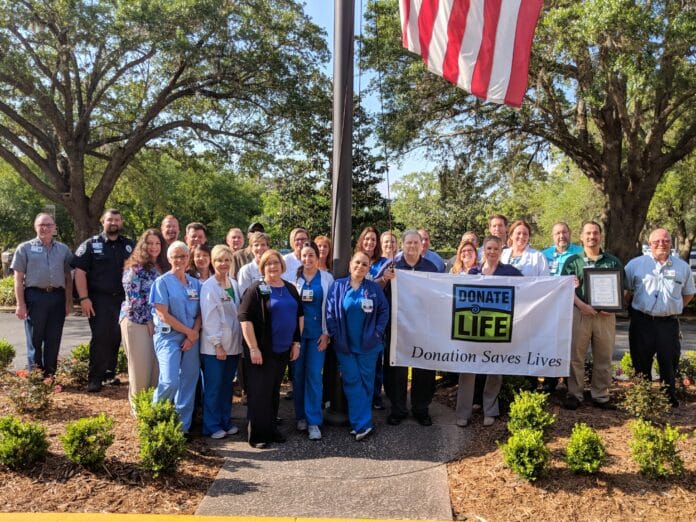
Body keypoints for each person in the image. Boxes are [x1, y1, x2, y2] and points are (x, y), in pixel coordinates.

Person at [238, 250, 303, 448]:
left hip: (283, 350)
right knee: (259, 393)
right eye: (268, 264)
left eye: (276, 263)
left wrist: (296, 343)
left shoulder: (290, 288)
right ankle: (258, 435)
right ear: (263, 267)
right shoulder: (256, 289)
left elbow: (299, 315)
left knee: (274, 392)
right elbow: (244, 319)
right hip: (262, 351)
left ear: (282, 266)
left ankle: (272, 430)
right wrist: (253, 348)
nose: (273, 267)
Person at [624, 228, 695, 407]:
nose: (661, 244)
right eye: (656, 241)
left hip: (668, 324)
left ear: (671, 244)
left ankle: (668, 399)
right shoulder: (635, 265)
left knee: (669, 363)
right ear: (650, 244)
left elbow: (688, 294)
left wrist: (673, 307)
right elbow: (626, 291)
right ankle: (643, 399)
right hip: (642, 322)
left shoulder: (682, 267)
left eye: (665, 241)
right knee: (641, 363)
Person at [456, 235, 522, 427]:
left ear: (501, 251)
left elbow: (529, 289)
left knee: (495, 369)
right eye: (489, 248)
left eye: (496, 249)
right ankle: (463, 413)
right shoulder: (473, 272)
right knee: (467, 368)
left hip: (497, 328)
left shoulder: (510, 272)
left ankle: (490, 410)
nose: (492, 252)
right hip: (473, 329)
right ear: (483, 251)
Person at [376, 230, 439, 426]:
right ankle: (398, 409)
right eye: (408, 243)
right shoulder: (392, 265)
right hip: (396, 327)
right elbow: (373, 288)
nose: (412, 246)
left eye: (415, 243)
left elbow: (439, 296)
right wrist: (385, 278)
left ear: (422, 246)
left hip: (423, 328)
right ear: (402, 245)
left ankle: (421, 409)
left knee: (424, 368)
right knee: (396, 370)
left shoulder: (431, 267)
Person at [561, 221, 623, 410]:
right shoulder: (573, 261)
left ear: (600, 236)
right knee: (576, 355)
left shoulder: (612, 261)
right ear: (581, 237)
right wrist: (581, 305)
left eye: (595, 233)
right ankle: (575, 394)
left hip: (606, 316)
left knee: (603, 356)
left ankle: (600, 395)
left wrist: (611, 307)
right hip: (580, 313)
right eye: (588, 233)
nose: (592, 237)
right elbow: (565, 288)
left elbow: (623, 289)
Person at [326, 252, 389, 440]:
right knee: (352, 382)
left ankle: (360, 423)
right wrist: (336, 336)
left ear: (368, 268)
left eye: (364, 264)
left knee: (367, 384)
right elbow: (330, 312)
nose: (360, 266)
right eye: (357, 262)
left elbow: (384, 311)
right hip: (345, 346)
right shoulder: (338, 286)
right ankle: (362, 424)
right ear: (350, 264)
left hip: (368, 346)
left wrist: (377, 333)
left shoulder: (373, 288)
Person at [72, 209, 135, 392]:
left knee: (117, 336)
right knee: (100, 337)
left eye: (117, 219)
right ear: (102, 222)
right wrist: (84, 298)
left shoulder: (130, 245)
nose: (113, 222)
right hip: (99, 300)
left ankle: (109, 374)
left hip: (123, 300)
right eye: (110, 220)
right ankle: (95, 378)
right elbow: (80, 272)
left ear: (121, 222)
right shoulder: (91, 245)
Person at [149, 241, 202, 434]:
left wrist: (192, 335)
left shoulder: (196, 283)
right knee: (170, 380)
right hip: (169, 337)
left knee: (188, 382)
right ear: (169, 259)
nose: (180, 260)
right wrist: (188, 332)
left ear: (188, 258)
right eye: (175, 256)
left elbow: (200, 314)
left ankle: (182, 428)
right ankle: (155, 420)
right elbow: (162, 314)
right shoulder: (161, 282)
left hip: (192, 338)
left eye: (183, 256)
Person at [11, 213, 73, 376]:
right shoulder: (24, 248)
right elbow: (18, 279)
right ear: (35, 227)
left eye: (49, 225)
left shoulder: (63, 250)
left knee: (54, 338)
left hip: (57, 297)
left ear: (54, 228)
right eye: (41, 225)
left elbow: (68, 278)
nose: (45, 228)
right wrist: (20, 304)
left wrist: (68, 302)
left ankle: (50, 376)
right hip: (34, 297)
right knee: (35, 338)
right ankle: (36, 377)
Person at [120, 229, 167, 414]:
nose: (154, 247)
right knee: (140, 368)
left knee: (156, 368)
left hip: (159, 324)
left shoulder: (162, 266)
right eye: (150, 243)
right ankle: (139, 410)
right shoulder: (136, 267)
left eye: (158, 243)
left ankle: (153, 407)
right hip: (137, 322)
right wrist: (148, 318)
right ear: (143, 245)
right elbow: (133, 298)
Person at [291, 242, 334, 440]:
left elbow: (331, 309)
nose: (307, 259)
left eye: (311, 256)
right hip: (298, 338)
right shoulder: (293, 279)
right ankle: (301, 416)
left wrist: (327, 334)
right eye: (304, 255)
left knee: (314, 377)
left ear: (318, 258)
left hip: (318, 336)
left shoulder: (327, 279)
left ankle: (314, 421)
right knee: (298, 376)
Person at [200, 245, 244, 438]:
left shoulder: (233, 283)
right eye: (219, 260)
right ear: (212, 262)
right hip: (214, 348)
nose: (223, 264)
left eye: (227, 260)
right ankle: (211, 425)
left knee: (227, 386)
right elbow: (209, 318)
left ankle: (225, 422)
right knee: (214, 387)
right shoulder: (209, 286)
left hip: (233, 344)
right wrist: (217, 344)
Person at [540, 222, 583, 392]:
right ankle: (549, 381)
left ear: (570, 233)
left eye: (564, 232)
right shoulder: (544, 254)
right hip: (549, 307)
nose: (561, 236)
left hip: (573, 305)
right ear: (553, 236)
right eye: (557, 233)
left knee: (569, 343)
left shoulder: (579, 253)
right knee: (549, 343)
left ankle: (565, 381)